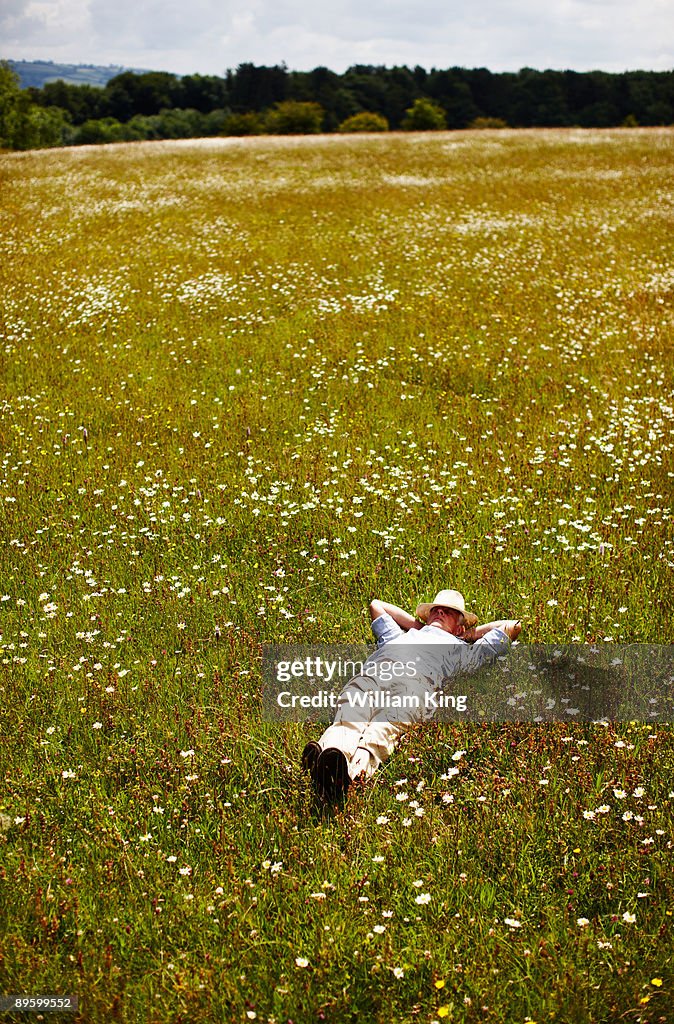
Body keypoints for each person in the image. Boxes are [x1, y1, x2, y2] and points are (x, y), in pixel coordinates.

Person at [301, 589, 521, 801]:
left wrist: (469, 635)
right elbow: (377, 605)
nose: (440, 612)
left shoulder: (462, 650)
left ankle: (347, 777)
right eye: (435, 609)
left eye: (449, 612)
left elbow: (512, 627)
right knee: (349, 715)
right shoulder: (399, 636)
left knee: (381, 731)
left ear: (459, 628)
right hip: (374, 676)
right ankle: (329, 755)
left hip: (413, 689)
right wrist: (421, 626)